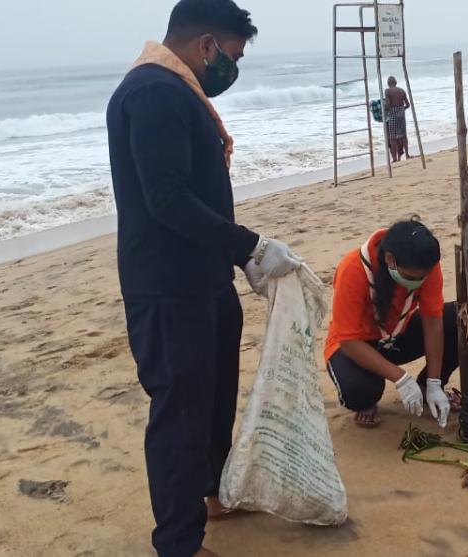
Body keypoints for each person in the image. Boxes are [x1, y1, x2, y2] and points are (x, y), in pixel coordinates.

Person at [106, 1, 303, 556]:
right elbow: (166, 200)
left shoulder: (179, 93)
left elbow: (196, 193)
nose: (232, 69)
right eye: (233, 56)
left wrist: (241, 260)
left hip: (206, 280)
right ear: (208, 45)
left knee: (213, 397)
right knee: (180, 413)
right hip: (168, 287)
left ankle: (212, 492)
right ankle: (178, 542)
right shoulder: (153, 93)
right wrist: (252, 245)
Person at [324, 219, 458, 429]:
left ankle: (426, 389)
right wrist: (401, 378)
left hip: (394, 336)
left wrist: (434, 381)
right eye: (411, 277)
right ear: (390, 260)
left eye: (423, 277)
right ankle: (368, 399)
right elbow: (348, 340)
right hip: (354, 345)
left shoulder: (425, 266)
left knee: (458, 320)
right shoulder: (353, 268)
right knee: (361, 391)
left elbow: (433, 321)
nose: (419, 281)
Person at [384, 76, 410, 163]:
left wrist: (384, 109)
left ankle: (395, 158)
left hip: (393, 114)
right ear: (396, 82)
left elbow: (388, 105)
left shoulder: (387, 91)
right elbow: (408, 104)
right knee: (403, 136)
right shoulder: (402, 90)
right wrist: (402, 109)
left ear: (388, 84)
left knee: (393, 137)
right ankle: (407, 154)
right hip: (401, 114)